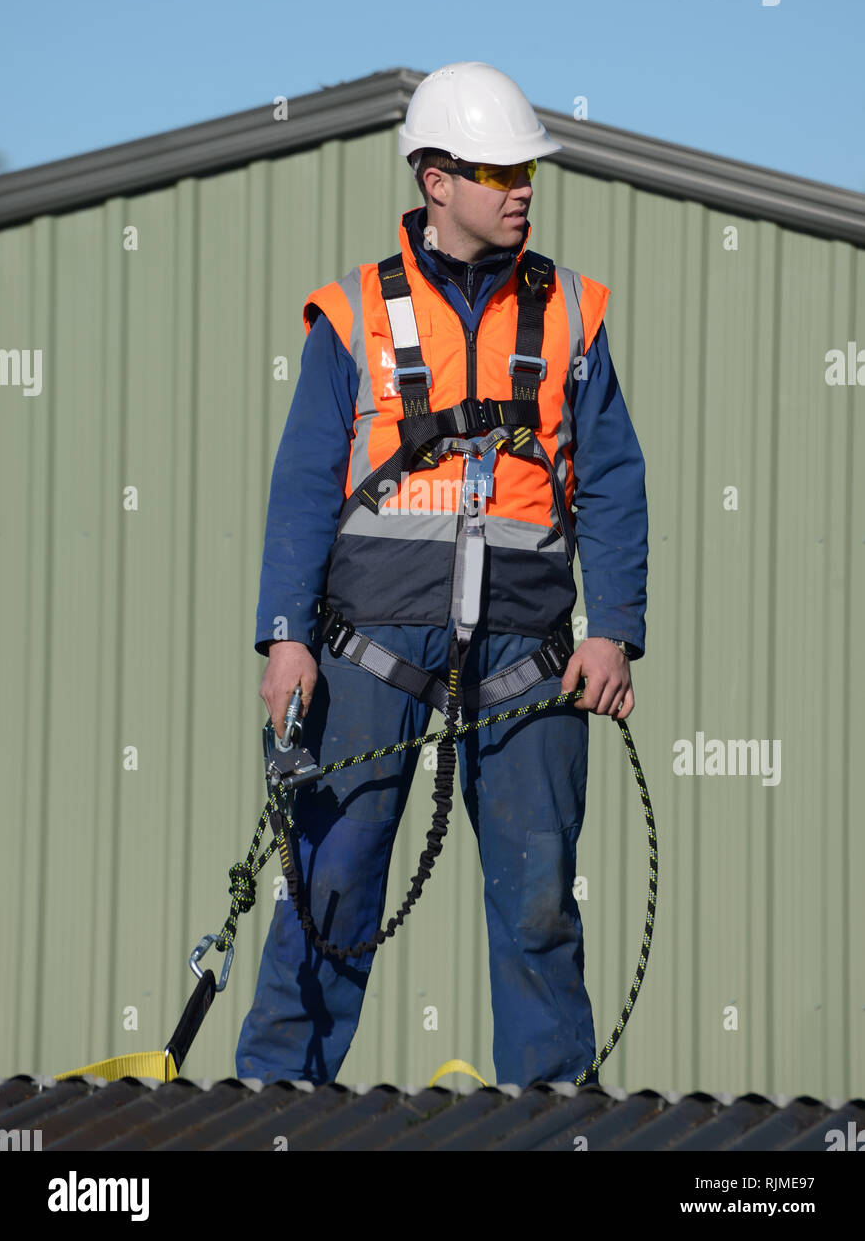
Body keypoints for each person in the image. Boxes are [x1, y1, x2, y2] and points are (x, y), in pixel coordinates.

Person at [235, 62, 648, 1088]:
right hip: (366, 646)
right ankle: (275, 1103)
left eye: (528, 172)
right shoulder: (354, 315)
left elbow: (612, 478)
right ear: (435, 178)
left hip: (532, 652)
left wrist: (616, 628)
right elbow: (300, 487)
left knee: (540, 892)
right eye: (499, 170)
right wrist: (286, 635)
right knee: (328, 884)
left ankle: (551, 1106)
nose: (522, 189)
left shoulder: (571, 314)